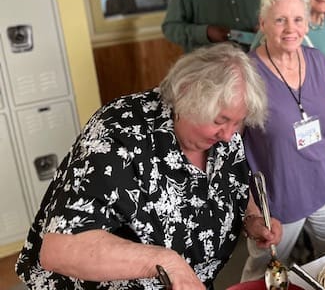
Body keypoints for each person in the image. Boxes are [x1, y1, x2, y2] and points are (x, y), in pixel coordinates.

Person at [16, 44, 282, 290]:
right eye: (221, 121)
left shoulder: (225, 132)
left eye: (237, 123)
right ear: (186, 94)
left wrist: (253, 218)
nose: (228, 134)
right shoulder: (118, 134)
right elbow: (60, 249)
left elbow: (232, 181)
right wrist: (165, 262)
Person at [240, 0, 325, 282]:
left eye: (298, 19)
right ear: (263, 23)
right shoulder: (246, 75)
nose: (290, 28)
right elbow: (230, 148)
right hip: (278, 199)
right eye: (280, 20)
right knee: (263, 275)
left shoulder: (317, 61)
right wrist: (252, 212)